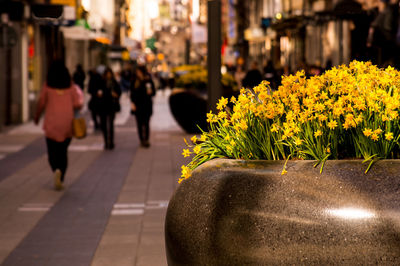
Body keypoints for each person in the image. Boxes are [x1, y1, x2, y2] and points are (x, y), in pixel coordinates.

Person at [34, 60, 83, 190]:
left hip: (51, 123)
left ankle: (55, 169)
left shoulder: (47, 86)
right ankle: (61, 174)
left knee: (52, 151)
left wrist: (37, 117)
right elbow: (78, 103)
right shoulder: (71, 86)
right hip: (67, 123)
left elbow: (41, 103)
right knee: (63, 151)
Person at [130, 65, 156, 147]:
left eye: (139, 72)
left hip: (147, 105)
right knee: (139, 124)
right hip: (138, 106)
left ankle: (146, 139)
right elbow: (132, 94)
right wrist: (132, 104)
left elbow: (154, 92)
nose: (138, 73)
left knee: (147, 123)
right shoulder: (135, 81)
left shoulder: (148, 81)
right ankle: (141, 140)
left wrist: (151, 92)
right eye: (137, 72)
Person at [97, 67, 121, 150]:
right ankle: (106, 141)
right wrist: (99, 94)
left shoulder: (114, 82)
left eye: (110, 73)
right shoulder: (101, 82)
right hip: (103, 105)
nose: (108, 75)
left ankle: (111, 142)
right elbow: (97, 91)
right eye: (107, 73)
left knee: (111, 124)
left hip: (111, 105)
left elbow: (119, 91)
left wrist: (116, 94)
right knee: (104, 125)